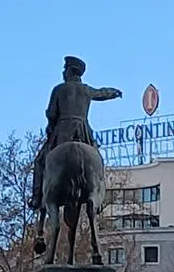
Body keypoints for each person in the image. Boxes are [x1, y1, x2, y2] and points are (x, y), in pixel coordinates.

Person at [29, 56, 122, 211]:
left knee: (40, 161)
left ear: (69, 71)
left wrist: (50, 127)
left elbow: (52, 114)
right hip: (83, 132)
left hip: (62, 131)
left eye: (65, 69)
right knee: (97, 161)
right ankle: (98, 195)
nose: (63, 72)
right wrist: (114, 92)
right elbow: (101, 93)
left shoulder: (59, 89)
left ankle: (36, 197)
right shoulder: (86, 89)